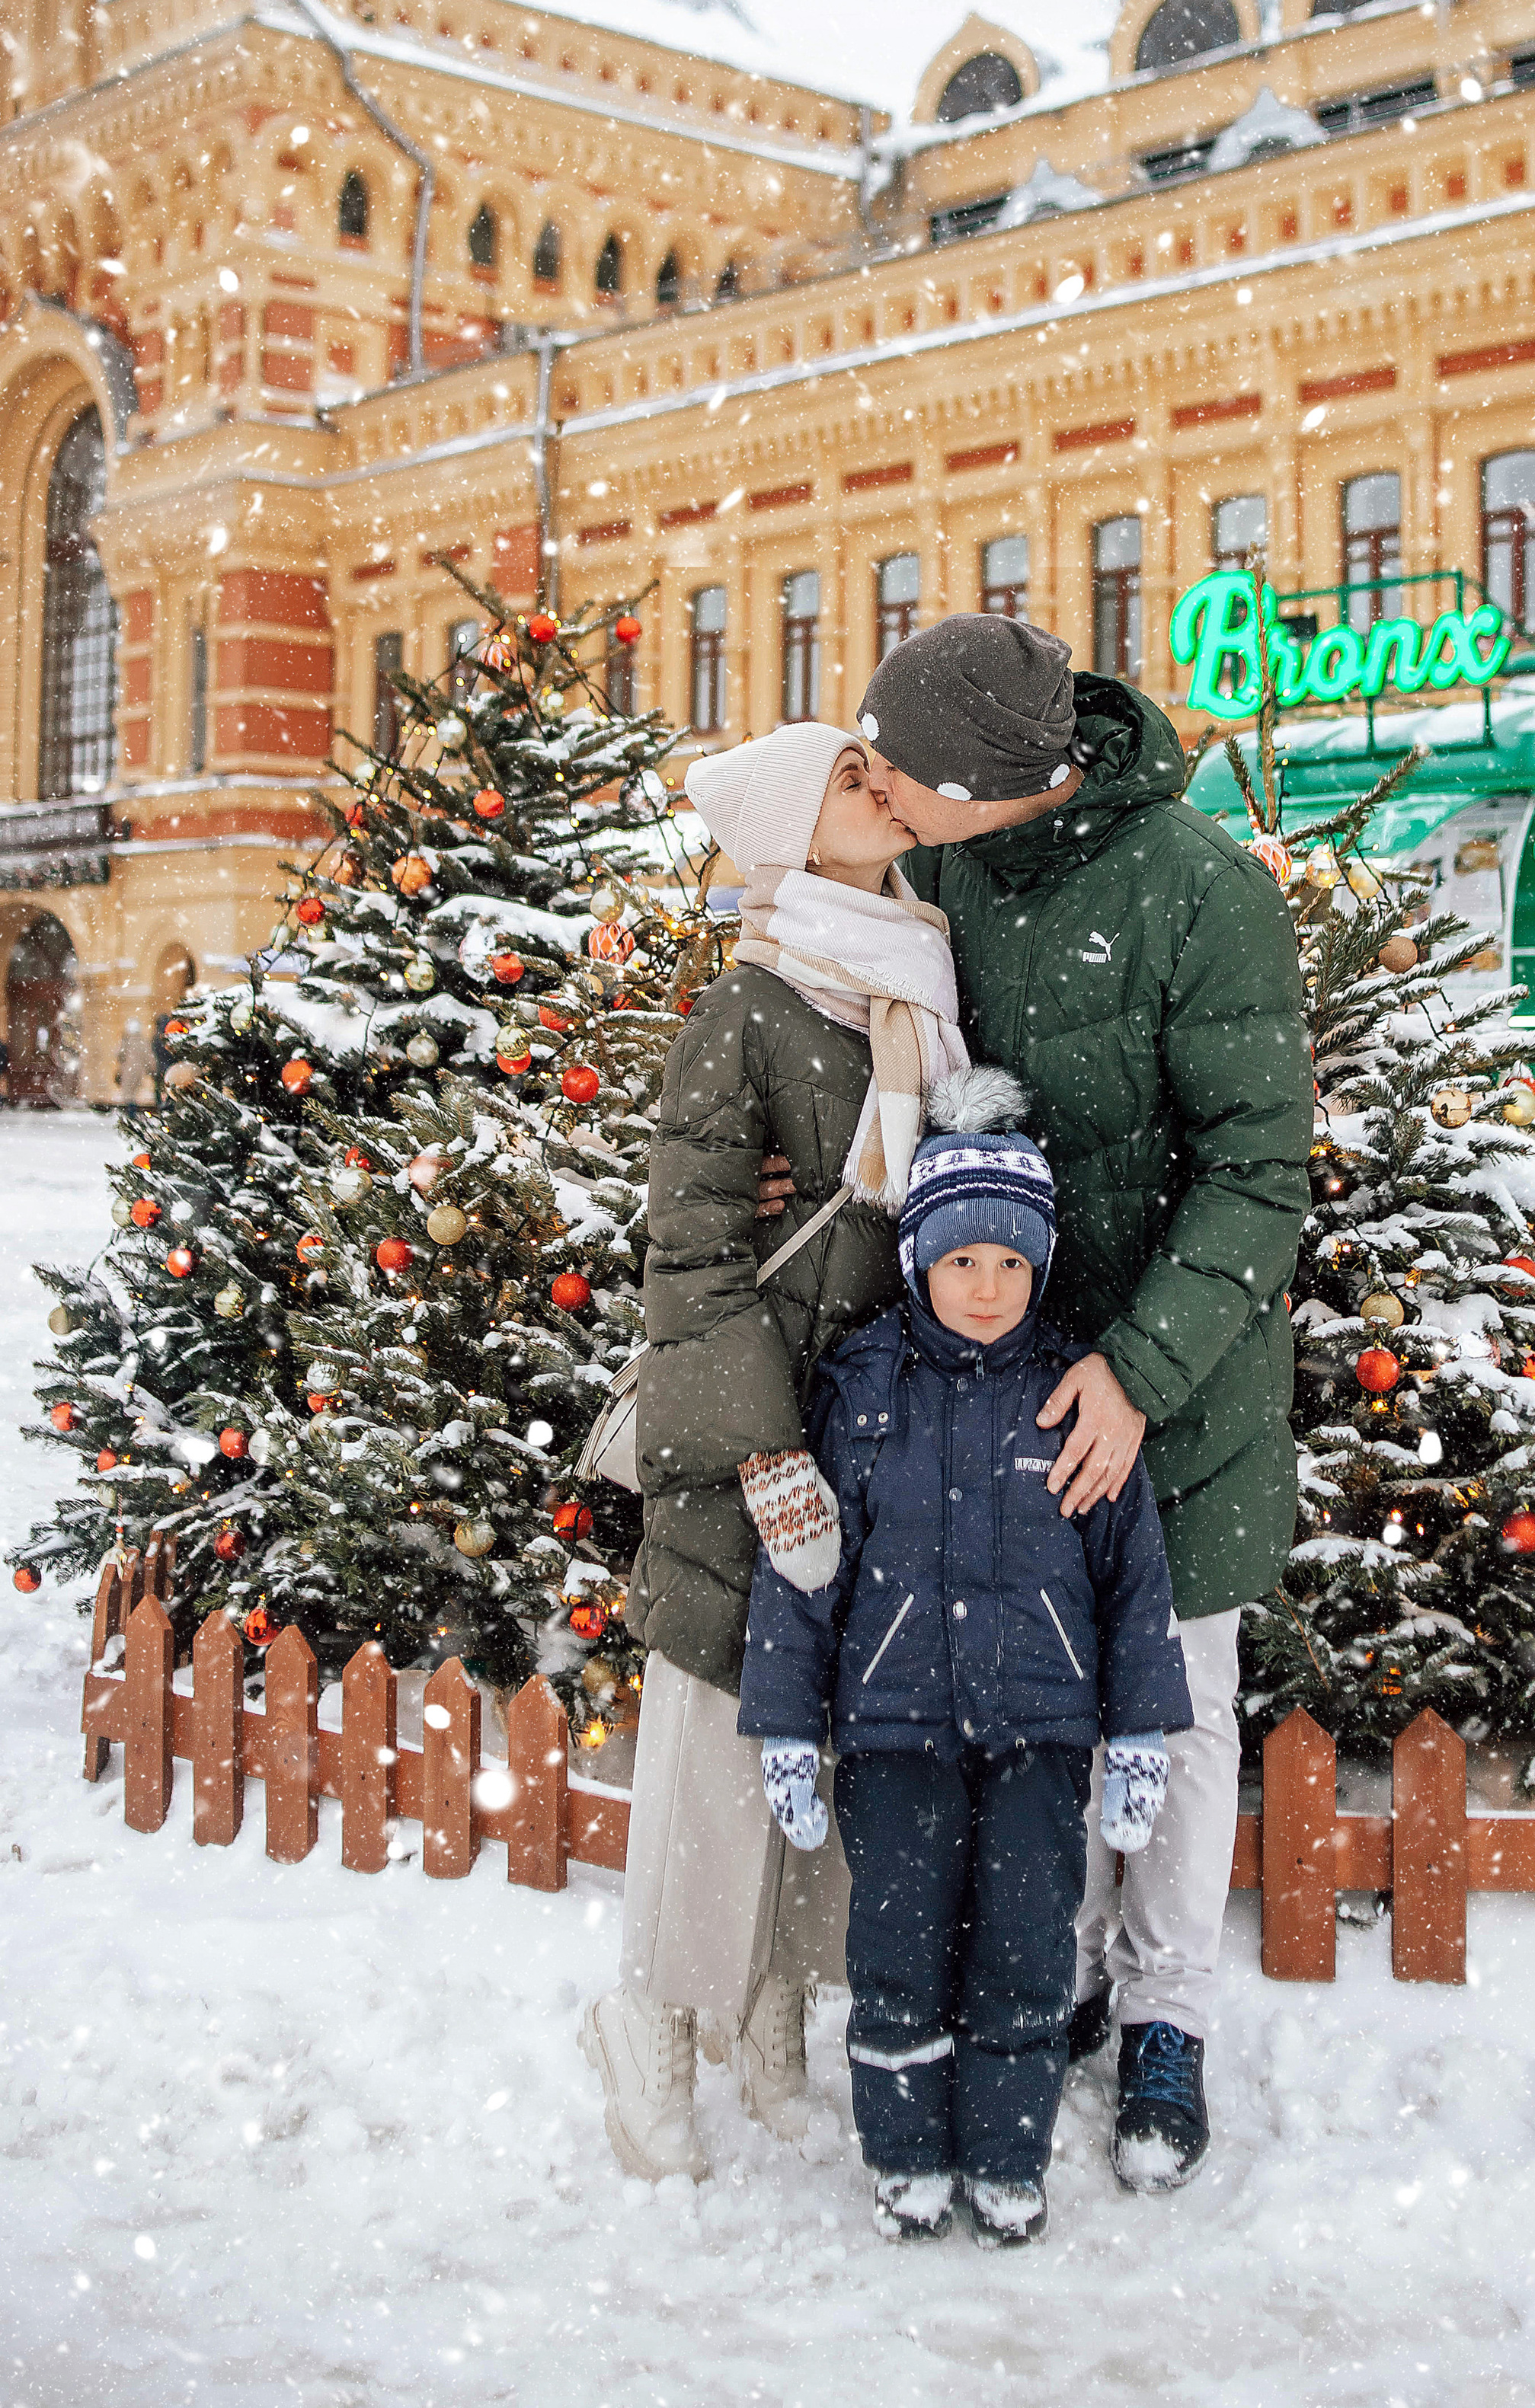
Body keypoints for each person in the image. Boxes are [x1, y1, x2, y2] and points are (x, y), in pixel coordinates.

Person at [852, 611, 1313, 2192]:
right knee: (1044, 1695)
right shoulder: (955, 875)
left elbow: (1258, 1169)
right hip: (1008, 1372)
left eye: (909, 773)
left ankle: (1168, 2013)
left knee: (1173, 1708)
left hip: (1183, 1387)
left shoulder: (1199, 890)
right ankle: (1064, 1972)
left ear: (997, 781)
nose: (887, 792)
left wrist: (1141, 1365)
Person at [580, 721, 968, 2181]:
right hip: (753, 1434)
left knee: (830, 1741)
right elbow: (688, 1249)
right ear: (794, 833)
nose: (886, 785)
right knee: (713, 1738)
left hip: (872, 1422)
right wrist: (757, 1454)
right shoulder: (745, 1011)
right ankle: (650, 2027)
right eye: (851, 781)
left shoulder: (917, 977)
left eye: (880, 769)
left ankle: (770, 2009)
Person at [738, 1114, 1193, 2246]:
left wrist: (1141, 1731)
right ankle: (905, 2156)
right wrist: (788, 1725)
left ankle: (1004, 2155)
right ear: (918, 1262)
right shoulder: (860, 1387)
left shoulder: (1073, 1396)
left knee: (1027, 1951)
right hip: (894, 1734)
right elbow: (801, 1572)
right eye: (960, 1260)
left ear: (1036, 1265)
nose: (986, 1288)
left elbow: (1134, 1578)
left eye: (1009, 1263)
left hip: (1039, 1734)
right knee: (895, 1954)